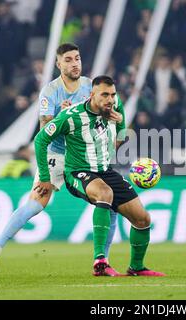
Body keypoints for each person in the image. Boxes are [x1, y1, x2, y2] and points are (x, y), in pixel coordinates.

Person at [0, 43, 119, 277]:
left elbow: (104, 113)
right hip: (57, 155)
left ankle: (102, 261)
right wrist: (62, 115)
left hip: (85, 156)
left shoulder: (90, 86)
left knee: (110, 202)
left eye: (77, 58)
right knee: (35, 205)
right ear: (58, 64)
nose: (74, 63)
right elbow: (45, 128)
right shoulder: (50, 91)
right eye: (68, 59)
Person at [34, 75, 165, 277]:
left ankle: (136, 267)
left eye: (112, 94)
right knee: (104, 193)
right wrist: (44, 177)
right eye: (105, 95)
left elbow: (121, 123)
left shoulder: (112, 109)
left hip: (105, 171)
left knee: (142, 219)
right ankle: (100, 261)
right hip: (78, 172)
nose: (110, 99)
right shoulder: (71, 116)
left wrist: (119, 135)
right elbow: (40, 140)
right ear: (92, 94)